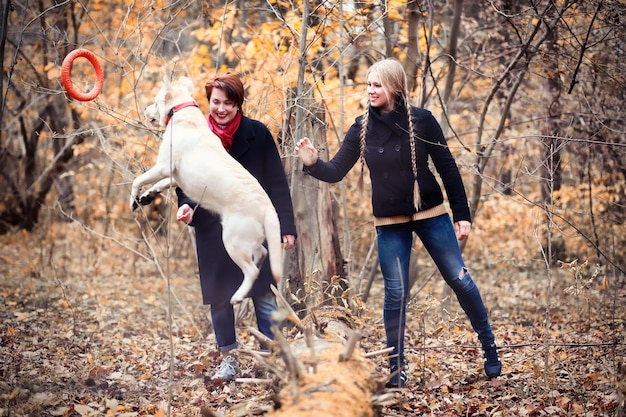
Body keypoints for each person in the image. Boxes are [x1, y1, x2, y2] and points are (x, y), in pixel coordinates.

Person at [295, 58, 501, 388]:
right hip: (390, 221)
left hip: (431, 213)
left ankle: (489, 347)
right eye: (368, 85)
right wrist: (313, 162)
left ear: (395, 87)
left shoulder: (422, 121)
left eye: (377, 84)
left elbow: (447, 167)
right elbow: (334, 172)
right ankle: (397, 367)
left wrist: (462, 215)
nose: (370, 90)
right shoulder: (360, 128)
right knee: (395, 292)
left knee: (460, 279)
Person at [176, 73, 297, 382]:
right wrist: (186, 205)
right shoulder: (195, 135)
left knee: (263, 293)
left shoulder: (257, 134)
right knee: (219, 298)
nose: (220, 109)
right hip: (212, 226)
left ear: (238, 104)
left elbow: (277, 183)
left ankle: (268, 358)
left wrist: (285, 226)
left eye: (228, 104)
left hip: (253, 225)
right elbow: (183, 178)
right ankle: (228, 359)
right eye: (216, 102)